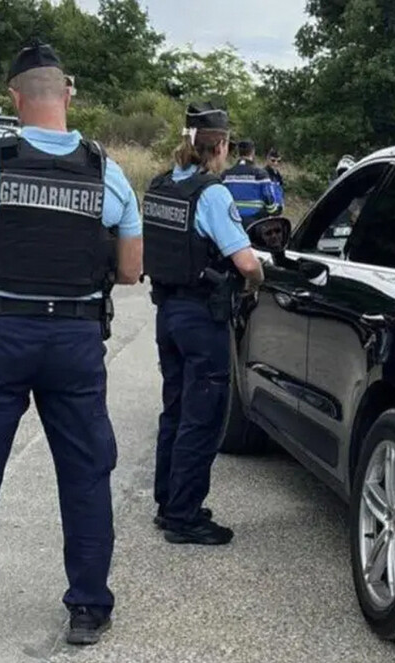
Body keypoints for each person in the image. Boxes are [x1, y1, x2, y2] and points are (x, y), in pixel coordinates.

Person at [0, 41, 142, 650]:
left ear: (15, 99)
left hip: (0, 338)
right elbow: (129, 271)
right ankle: (89, 610)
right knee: (87, 475)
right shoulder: (108, 172)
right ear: (67, 94)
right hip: (74, 340)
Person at [143, 101, 264, 546]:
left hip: (167, 313)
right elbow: (246, 262)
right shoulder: (211, 193)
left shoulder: (159, 186)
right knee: (204, 415)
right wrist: (258, 281)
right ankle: (184, 516)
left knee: (175, 408)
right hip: (201, 317)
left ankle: (168, 501)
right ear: (223, 145)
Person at [221, 139, 282, 223]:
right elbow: (268, 198)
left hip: (232, 221)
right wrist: (275, 211)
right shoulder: (261, 174)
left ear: (238, 152)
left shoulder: (225, 175)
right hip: (255, 223)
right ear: (253, 152)